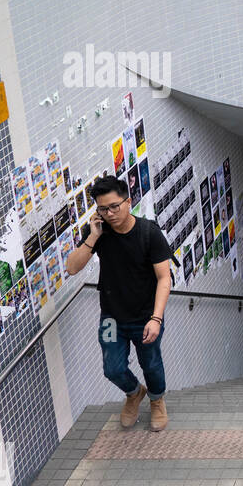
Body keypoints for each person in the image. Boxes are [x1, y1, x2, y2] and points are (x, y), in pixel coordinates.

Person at [65, 175, 174, 432]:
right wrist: (93, 237)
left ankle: (157, 400)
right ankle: (134, 393)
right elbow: (71, 267)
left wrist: (156, 319)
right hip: (112, 317)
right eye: (103, 208)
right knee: (112, 368)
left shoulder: (149, 233)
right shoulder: (98, 233)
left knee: (151, 364)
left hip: (146, 315)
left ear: (128, 201)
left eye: (115, 206)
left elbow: (164, 278)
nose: (111, 213)